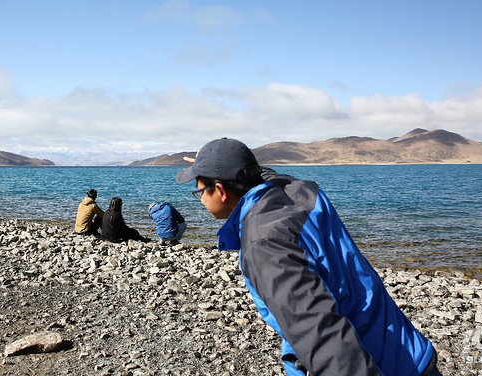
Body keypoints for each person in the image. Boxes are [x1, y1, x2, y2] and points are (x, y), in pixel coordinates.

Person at [176, 137, 440, 376]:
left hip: (378, 365)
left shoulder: (264, 244)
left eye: (199, 191)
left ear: (221, 191)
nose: (199, 198)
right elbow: (259, 176)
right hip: (408, 352)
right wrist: (212, 163)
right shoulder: (296, 190)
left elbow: (323, 337)